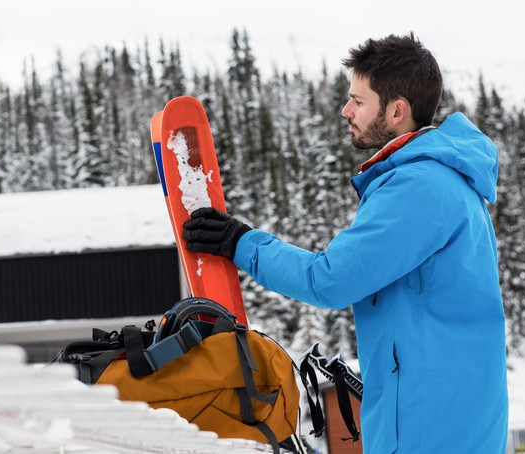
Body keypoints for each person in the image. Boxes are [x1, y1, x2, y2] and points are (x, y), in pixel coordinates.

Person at [183, 33, 508, 453]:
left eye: (358, 100)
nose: (345, 110)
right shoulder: (438, 179)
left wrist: (241, 243)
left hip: (430, 427)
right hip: (444, 415)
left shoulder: (420, 187)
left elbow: (331, 280)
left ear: (396, 111)